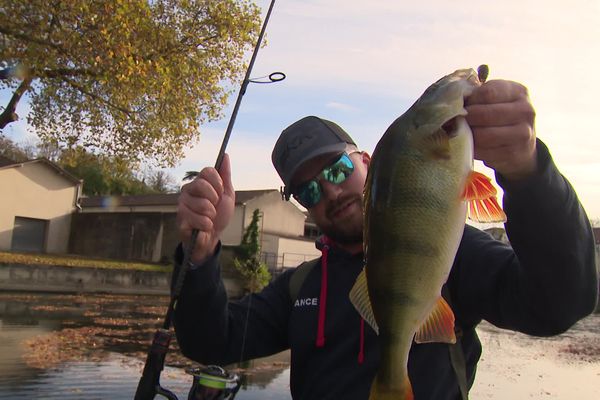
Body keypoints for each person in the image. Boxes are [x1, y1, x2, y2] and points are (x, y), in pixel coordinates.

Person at [172, 79, 598, 400]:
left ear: (369, 163)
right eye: (309, 191)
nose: (331, 192)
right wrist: (202, 255)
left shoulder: (453, 254)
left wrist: (528, 175)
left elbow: (559, 304)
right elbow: (211, 340)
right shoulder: (301, 287)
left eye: (337, 170)